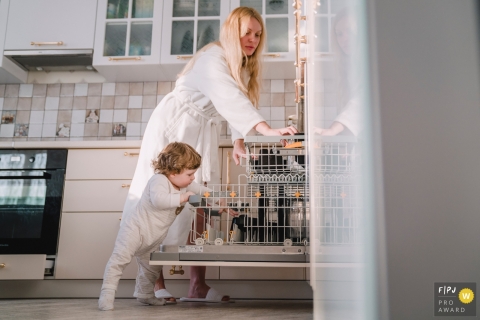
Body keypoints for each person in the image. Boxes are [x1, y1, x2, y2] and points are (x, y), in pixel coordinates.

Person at [122, 6, 298, 304]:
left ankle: (196, 286)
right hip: (176, 126)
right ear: (232, 32)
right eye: (247, 33)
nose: (253, 39)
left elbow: (230, 102)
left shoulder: (239, 64)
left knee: (202, 201)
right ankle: (153, 282)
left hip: (203, 130)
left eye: (257, 34)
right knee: (160, 200)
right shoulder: (213, 57)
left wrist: (239, 139)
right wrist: (264, 128)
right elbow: (227, 95)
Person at [98, 142, 232, 311]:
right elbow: (159, 200)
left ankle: (145, 294)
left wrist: (220, 199)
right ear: (173, 171)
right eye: (190, 174)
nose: (193, 178)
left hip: (155, 236)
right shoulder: (159, 180)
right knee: (119, 260)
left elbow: (203, 191)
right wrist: (183, 198)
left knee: (151, 268)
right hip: (136, 228)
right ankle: (107, 295)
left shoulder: (185, 184)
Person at [315, 8, 361, 136]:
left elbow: (361, 103)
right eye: (339, 34)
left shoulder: (370, 62)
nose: (344, 38)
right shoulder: (348, 65)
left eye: (349, 31)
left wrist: (332, 130)